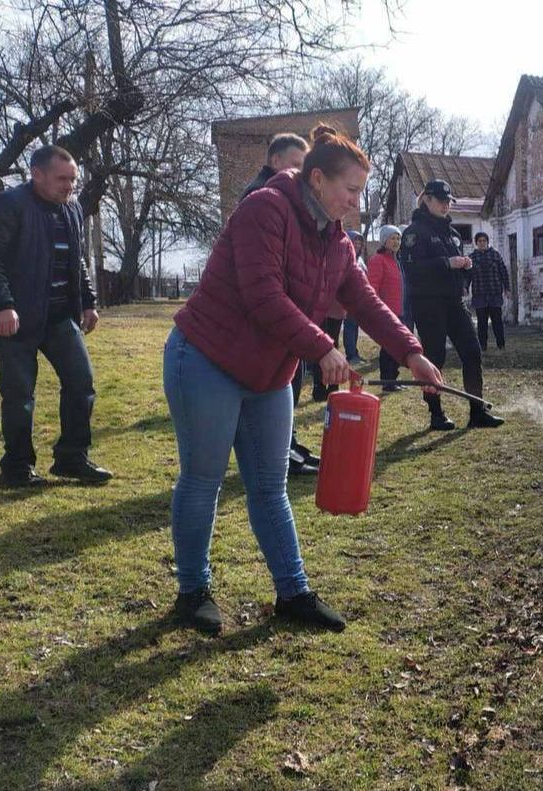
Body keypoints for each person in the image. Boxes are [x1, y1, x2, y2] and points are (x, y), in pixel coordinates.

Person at [163, 125, 444, 634]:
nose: (357, 204)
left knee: (270, 486)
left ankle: (293, 592)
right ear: (316, 179)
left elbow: (366, 303)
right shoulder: (264, 210)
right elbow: (262, 296)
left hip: (268, 374)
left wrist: (412, 353)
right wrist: (322, 347)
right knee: (203, 479)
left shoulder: (337, 242)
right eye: (350, 190)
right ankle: (192, 591)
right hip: (206, 358)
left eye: (362, 192)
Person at [0, 145, 111, 487]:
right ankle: (16, 468)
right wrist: (3, 304)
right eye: (62, 179)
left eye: (73, 180)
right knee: (19, 396)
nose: (69, 186)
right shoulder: (10, 205)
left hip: (60, 316)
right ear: (36, 174)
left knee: (81, 382)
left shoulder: (72, 208)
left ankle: (72, 458)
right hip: (15, 318)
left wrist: (88, 301)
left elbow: (75, 258)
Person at [238, 133, 319, 477]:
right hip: (265, 313)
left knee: (291, 376)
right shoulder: (262, 197)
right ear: (275, 162)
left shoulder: (283, 198)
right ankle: (281, 449)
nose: (303, 175)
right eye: (297, 165)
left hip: (282, 307)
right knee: (282, 379)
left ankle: (287, 443)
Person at [400, 179, 505, 430]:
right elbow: (412, 269)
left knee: (472, 351)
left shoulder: (453, 233)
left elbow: (460, 273)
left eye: (449, 201)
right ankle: (436, 414)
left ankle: (477, 411)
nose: (446, 205)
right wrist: (447, 263)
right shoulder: (414, 232)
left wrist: (466, 268)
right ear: (427, 200)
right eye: (441, 200)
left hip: (454, 302)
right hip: (428, 303)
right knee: (434, 358)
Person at [366, 225, 406, 391]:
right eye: (392, 238)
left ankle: (393, 379)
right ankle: (387, 381)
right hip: (387, 311)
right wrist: (377, 310)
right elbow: (372, 287)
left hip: (400, 310)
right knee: (388, 346)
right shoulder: (378, 260)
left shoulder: (397, 260)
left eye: (398, 238)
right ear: (384, 241)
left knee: (396, 345)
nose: (396, 241)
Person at [469, 232, 511, 351]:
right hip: (479, 294)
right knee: (482, 323)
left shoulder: (495, 255)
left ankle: (501, 345)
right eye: (479, 241)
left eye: (484, 241)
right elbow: (467, 275)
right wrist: (465, 287)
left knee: (497, 321)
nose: (482, 243)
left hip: (494, 294)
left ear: (487, 242)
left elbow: (503, 272)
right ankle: (483, 346)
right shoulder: (472, 257)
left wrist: (507, 288)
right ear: (476, 243)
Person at [342, 230, 368, 364]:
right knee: (350, 327)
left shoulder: (360, 260)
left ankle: (355, 353)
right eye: (355, 241)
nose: (357, 244)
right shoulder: (345, 257)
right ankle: (351, 355)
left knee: (355, 326)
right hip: (347, 300)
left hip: (359, 299)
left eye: (359, 242)